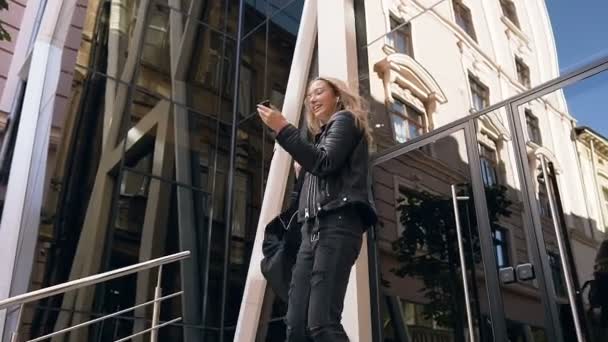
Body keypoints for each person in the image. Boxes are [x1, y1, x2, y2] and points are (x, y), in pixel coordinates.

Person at [257, 76, 377, 342]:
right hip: (310, 233)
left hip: (337, 226)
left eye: (319, 92)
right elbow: (314, 176)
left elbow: (324, 162)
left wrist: (283, 128)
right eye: (309, 96)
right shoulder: (319, 140)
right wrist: (303, 173)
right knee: (295, 327)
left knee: (322, 324)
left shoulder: (344, 121)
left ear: (337, 96)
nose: (312, 99)